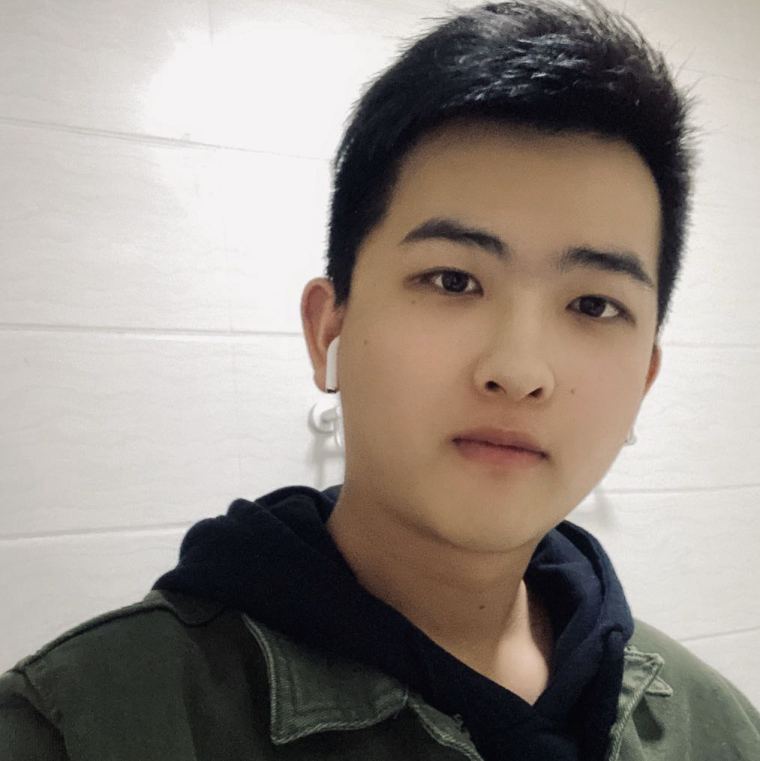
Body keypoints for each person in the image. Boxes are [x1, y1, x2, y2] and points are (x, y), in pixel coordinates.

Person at [2, 1, 759, 759]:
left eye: (594, 305)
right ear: (328, 329)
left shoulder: (717, 728)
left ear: (645, 379)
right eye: (453, 280)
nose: (519, 371)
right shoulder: (84, 726)